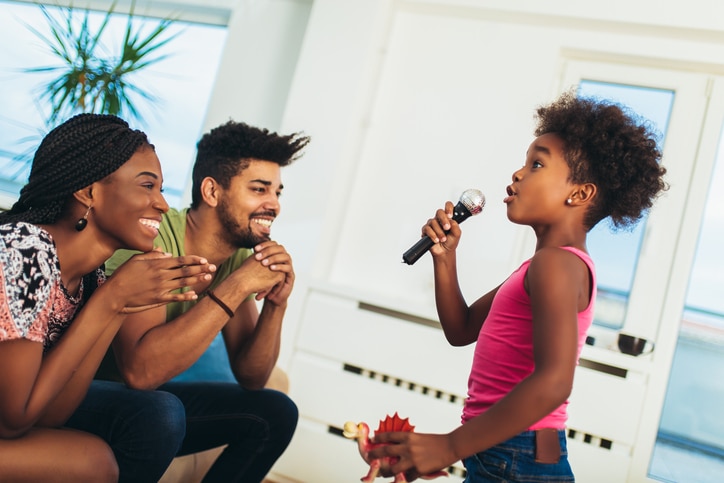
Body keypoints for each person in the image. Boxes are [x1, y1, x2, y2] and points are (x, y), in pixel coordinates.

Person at [367, 91, 668, 482]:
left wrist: (450, 445)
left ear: (579, 193)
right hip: (511, 448)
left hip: (517, 452)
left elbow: (555, 381)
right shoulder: (542, 266)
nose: (518, 173)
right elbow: (461, 330)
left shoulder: (556, 265)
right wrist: (445, 258)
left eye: (537, 164)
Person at [81, 120, 310, 482]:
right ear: (212, 191)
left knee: (274, 412)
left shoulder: (235, 256)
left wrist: (276, 306)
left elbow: (252, 377)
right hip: (83, 393)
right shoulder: (152, 240)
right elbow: (140, 374)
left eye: (277, 192)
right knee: (162, 410)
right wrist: (237, 286)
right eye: (259, 189)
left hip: (141, 403)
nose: (274, 205)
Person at [0, 114, 213, 481]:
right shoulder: (26, 251)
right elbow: (13, 422)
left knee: (110, 447)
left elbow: (53, 416)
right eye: (147, 185)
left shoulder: (89, 280)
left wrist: (118, 304)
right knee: (93, 462)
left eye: (161, 189)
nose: (162, 204)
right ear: (88, 192)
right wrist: (110, 301)